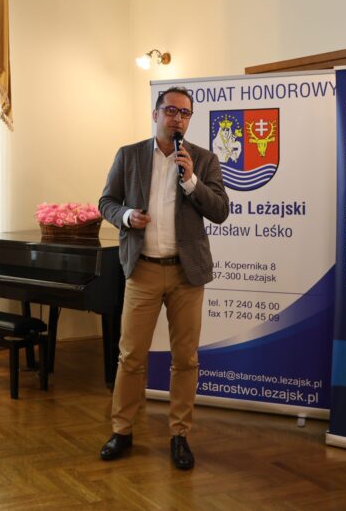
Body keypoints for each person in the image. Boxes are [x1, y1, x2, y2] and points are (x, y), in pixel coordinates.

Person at [97, 85, 229, 468]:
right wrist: (126, 216)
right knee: (130, 356)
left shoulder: (202, 160)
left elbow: (220, 210)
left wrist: (191, 181)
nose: (177, 118)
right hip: (143, 270)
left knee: (185, 358)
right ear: (155, 114)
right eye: (170, 110)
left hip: (187, 274)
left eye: (184, 113)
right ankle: (122, 431)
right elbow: (106, 201)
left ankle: (179, 435)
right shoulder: (129, 155)